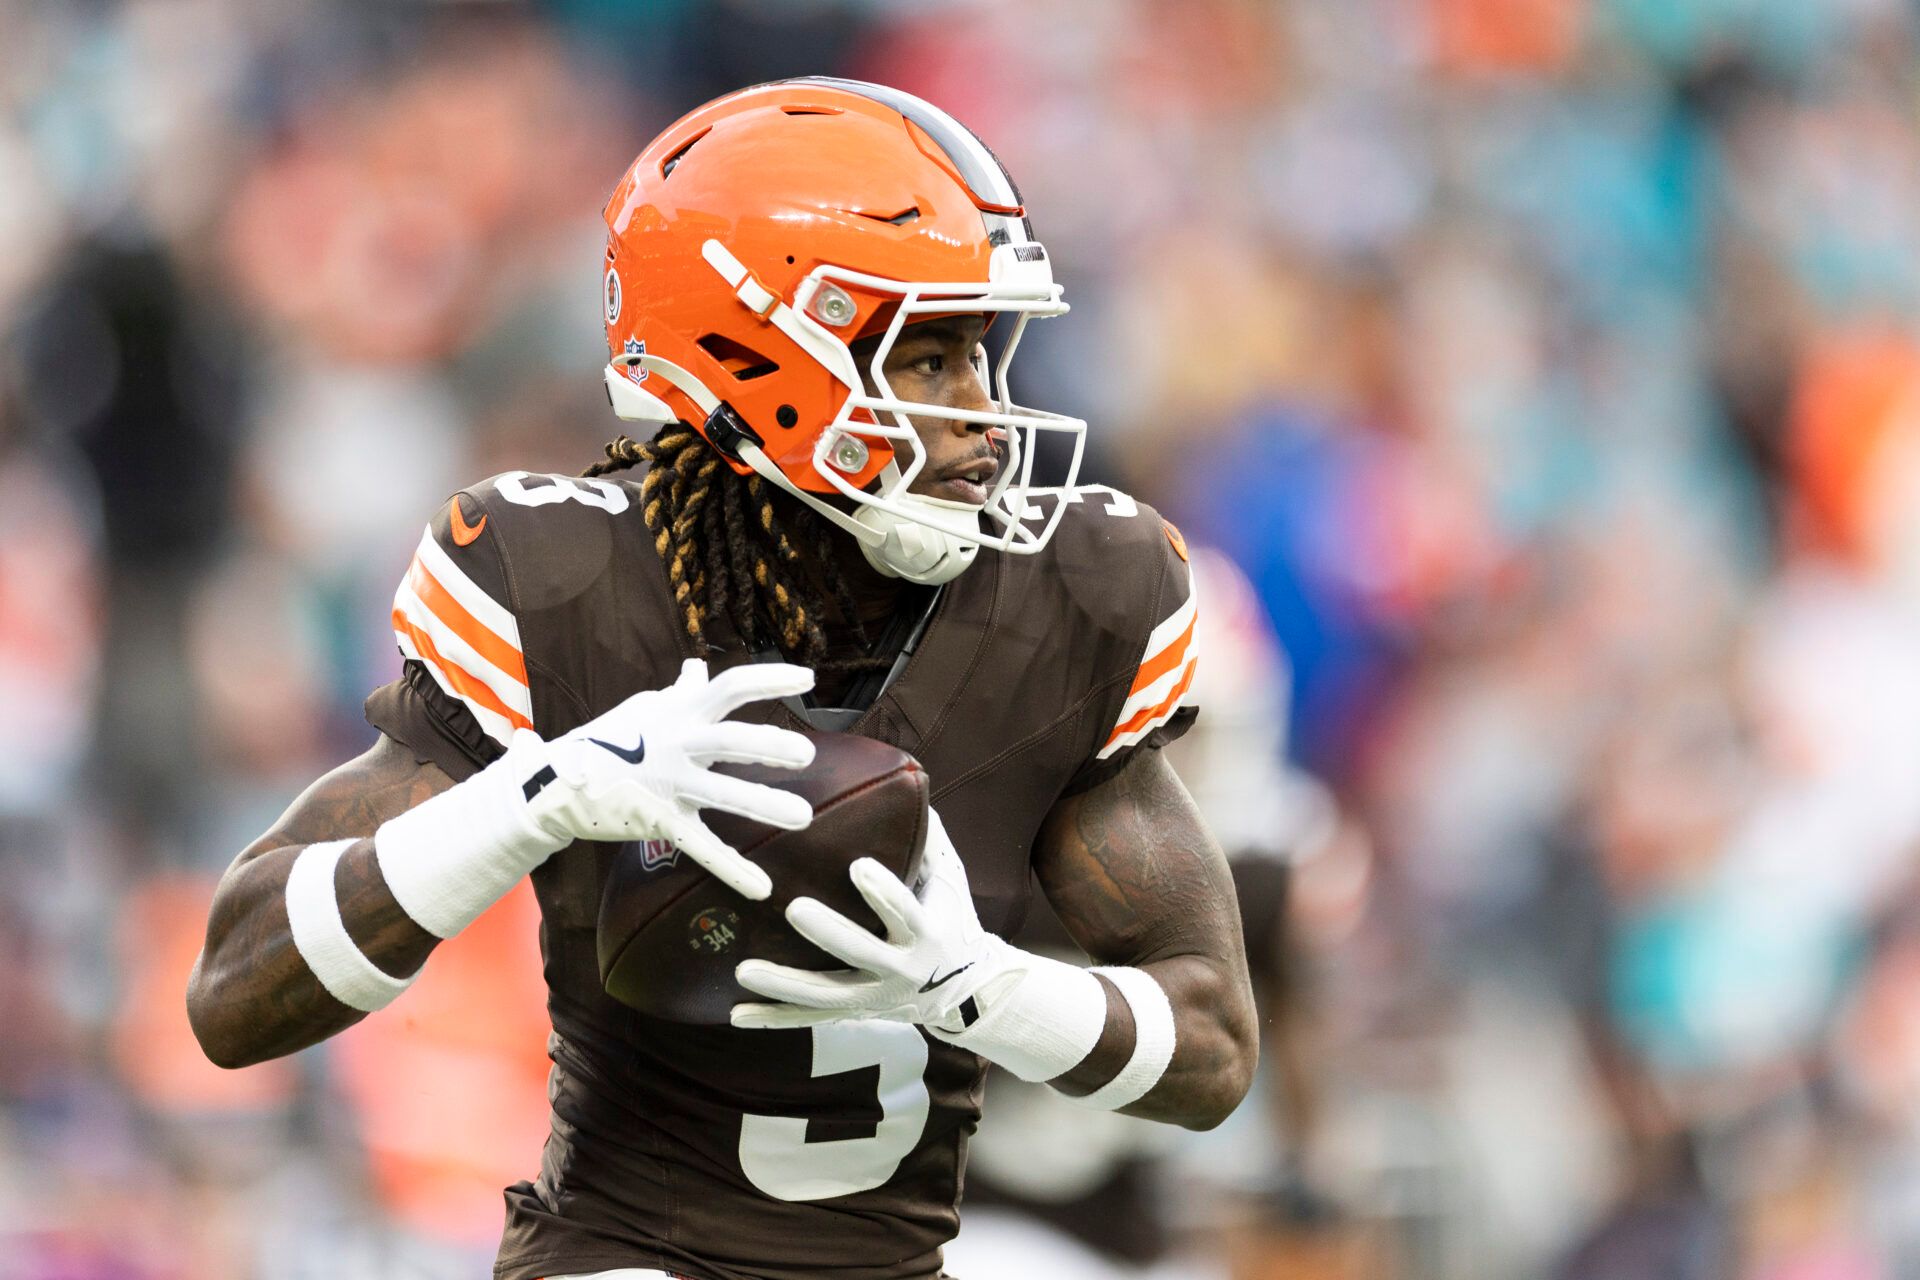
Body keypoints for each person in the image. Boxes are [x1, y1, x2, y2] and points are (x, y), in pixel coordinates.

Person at [186, 77, 1256, 1280]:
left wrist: (986, 985)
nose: (985, 419)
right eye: (932, 358)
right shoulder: (567, 583)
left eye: (982, 357)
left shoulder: (1075, 593)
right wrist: (534, 797)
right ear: (760, 355)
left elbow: (1213, 1047)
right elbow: (235, 991)